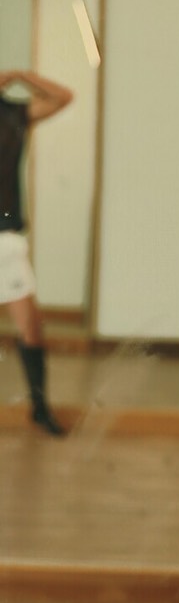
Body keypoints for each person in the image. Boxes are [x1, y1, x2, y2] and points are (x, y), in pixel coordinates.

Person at [0, 68, 74, 436]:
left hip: (6, 239)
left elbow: (63, 97)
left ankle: (40, 409)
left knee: (30, 326)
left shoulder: (13, 113)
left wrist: (20, 75)